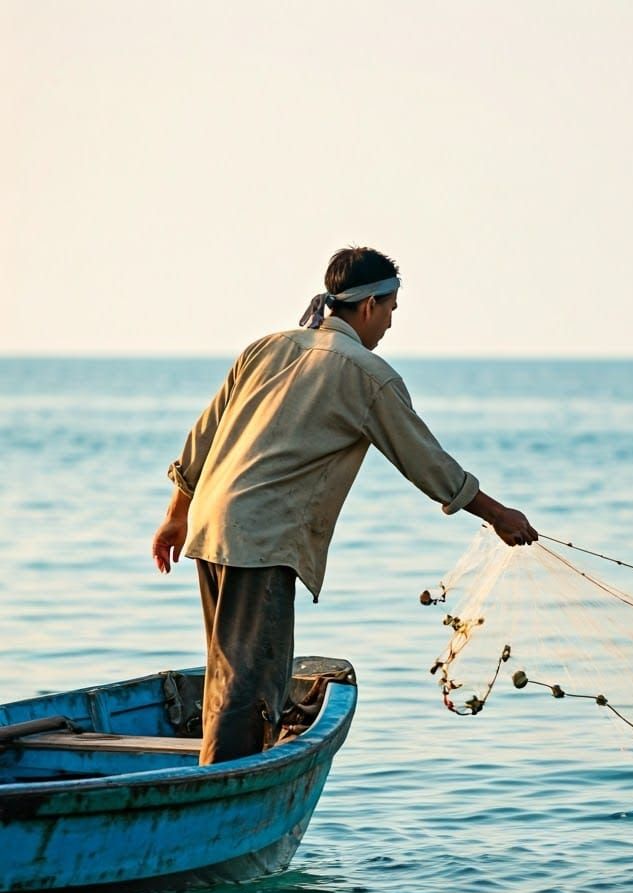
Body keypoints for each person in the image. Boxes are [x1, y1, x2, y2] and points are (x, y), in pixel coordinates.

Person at [151, 246, 537, 765]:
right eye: (393, 310)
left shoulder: (265, 347)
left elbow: (201, 438)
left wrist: (176, 516)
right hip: (261, 543)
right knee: (248, 688)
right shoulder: (366, 373)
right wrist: (499, 515)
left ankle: (217, 771)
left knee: (227, 674)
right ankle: (220, 789)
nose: (391, 324)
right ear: (370, 305)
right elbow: (430, 466)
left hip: (210, 528)